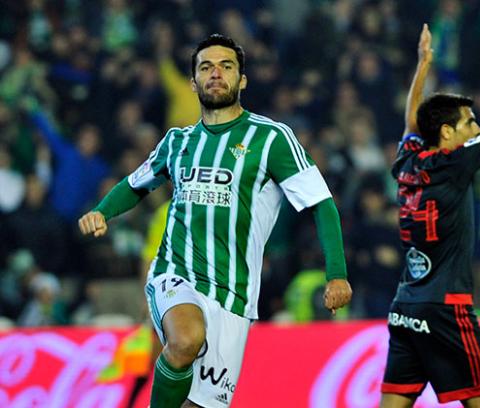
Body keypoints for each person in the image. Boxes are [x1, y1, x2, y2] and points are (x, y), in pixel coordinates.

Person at [79, 34, 352, 408]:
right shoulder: (177, 141)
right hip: (176, 273)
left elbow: (322, 204)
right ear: (193, 82)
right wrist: (102, 211)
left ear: (242, 80)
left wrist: (336, 273)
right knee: (185, 340)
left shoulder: (272, 139)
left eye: (226, 66)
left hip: (235, 296)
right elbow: (135, 183)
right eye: (206, 67)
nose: (216, 74)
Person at [380, 13, 480, 408]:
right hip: (447, 310)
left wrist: (422, 68)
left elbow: (410, 121)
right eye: (469, 123)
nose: (476, 130)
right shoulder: (455, 164)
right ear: (447, 134)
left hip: (406, 307)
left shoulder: (408, 161)